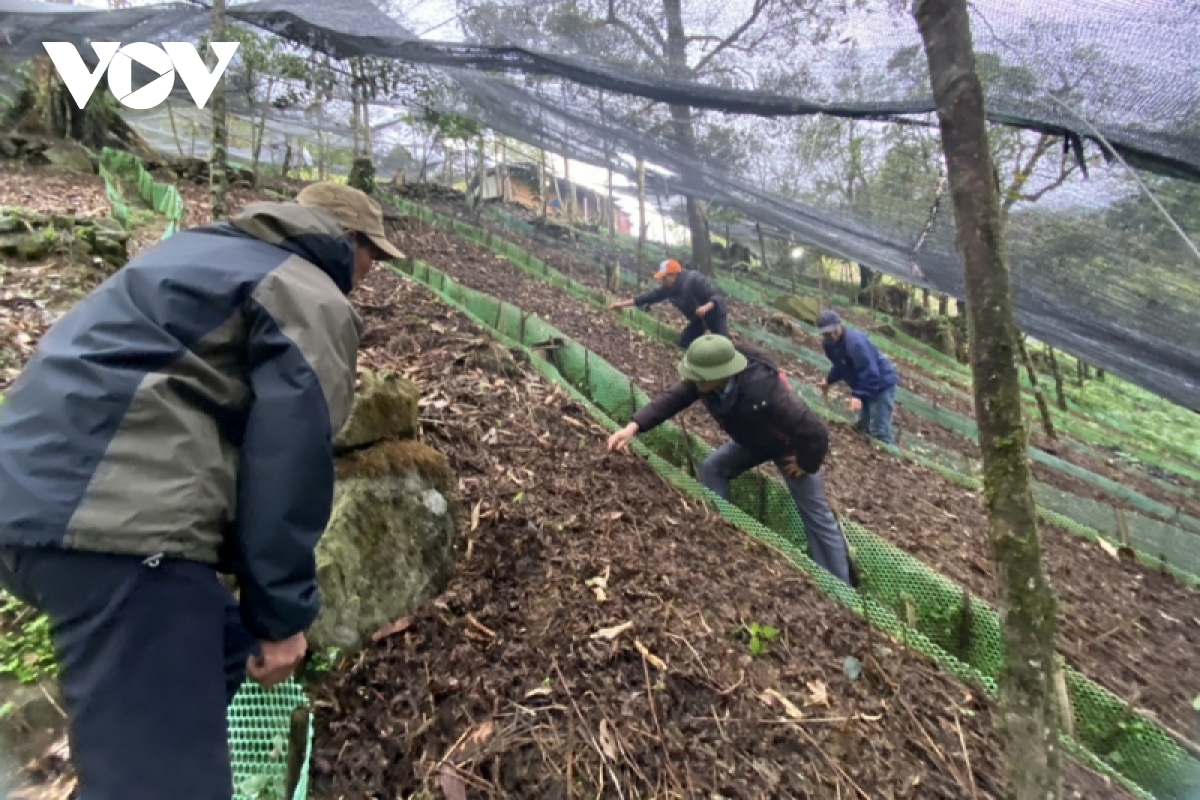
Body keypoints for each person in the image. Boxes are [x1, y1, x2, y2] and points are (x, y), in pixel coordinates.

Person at [0, 182, 403, 800]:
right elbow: (288, 455)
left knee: (222, 641)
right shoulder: (306, 290)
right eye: (374, 254)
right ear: (345, 240)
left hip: (32, 495)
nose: (371, 273)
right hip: (121, 519)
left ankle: (137, 751)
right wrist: (281, 617)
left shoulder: (200, 252)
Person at [607, 334, 853, 585]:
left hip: (787, 446)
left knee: (816, 514)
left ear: (719, 374)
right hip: (751, 440)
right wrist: (633, 427)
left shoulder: (766, 391)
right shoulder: (702, 381)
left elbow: (816, 432)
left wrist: (806, 463)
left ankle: (840, 585)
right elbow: (671, 400)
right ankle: (723, 531)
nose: (692, 378)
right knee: (713, 468)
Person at [817, 309, 899, 447]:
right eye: (826, 333)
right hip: (863, 384)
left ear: (840, 324)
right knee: (863, 427)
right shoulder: (829, 345)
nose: (831, 335)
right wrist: (828, 380)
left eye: (833, 331)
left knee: (880, 431)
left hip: (881, 383)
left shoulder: (855, 343)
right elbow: (840, 365)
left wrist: (858, 396)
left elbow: (871, 373)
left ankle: (895, 459)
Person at [609, 258, 728, 349]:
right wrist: (621, 304)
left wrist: (706, 307)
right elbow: (648, 297)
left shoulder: (694, 279)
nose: (662, 281)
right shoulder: (668, 289)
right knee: (683, 343)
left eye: (664, 277)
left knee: (724, 347)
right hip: (697, 320)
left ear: (674, 275)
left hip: (715, 314)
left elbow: (717, 297)